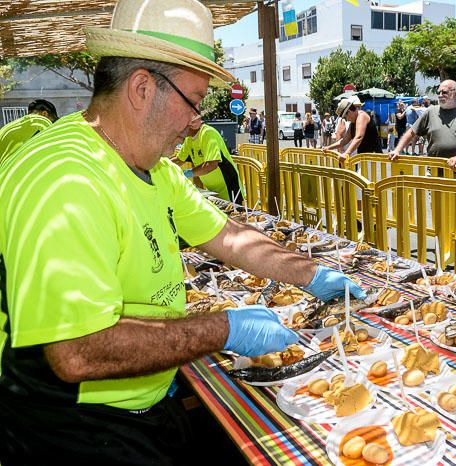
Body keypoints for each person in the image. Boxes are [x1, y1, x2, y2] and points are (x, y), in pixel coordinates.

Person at [0, 1, 365, 464]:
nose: (198, 122)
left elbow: (230, 237)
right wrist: (224, 328)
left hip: (145, 405)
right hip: (73, 429)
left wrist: (312, 275)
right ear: (141, 88)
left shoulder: (150, 165)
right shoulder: (67, 178)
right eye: (194, 102)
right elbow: (78, 350)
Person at [388, 80, 456, 162]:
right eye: (438, 92)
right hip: (434, 170)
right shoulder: (431, 111)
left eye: (444, 92)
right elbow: (411, 132)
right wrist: (397, 150)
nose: (440, 95)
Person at [176, 123, 243, 202]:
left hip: (229, 188)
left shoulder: (208, 133)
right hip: (212, 190)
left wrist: (187, 173)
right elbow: (179, 160)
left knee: (234, 213)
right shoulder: (189, 139)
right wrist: (160, 164)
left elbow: (211, 165)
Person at [322, 98, 382, 162]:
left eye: (345, 118)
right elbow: (344, 140)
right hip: (363, 158)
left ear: (349, 112)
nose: (347, 120)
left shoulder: (361, 116)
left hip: (373, 158)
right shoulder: (353, 123)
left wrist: (346, 153)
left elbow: (359, 137)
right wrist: (329, 147)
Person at [0, 99, 58, 164]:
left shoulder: (53, 129)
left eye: (32, 116)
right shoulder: (42, 129)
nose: (30, 120)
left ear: (44, 114)